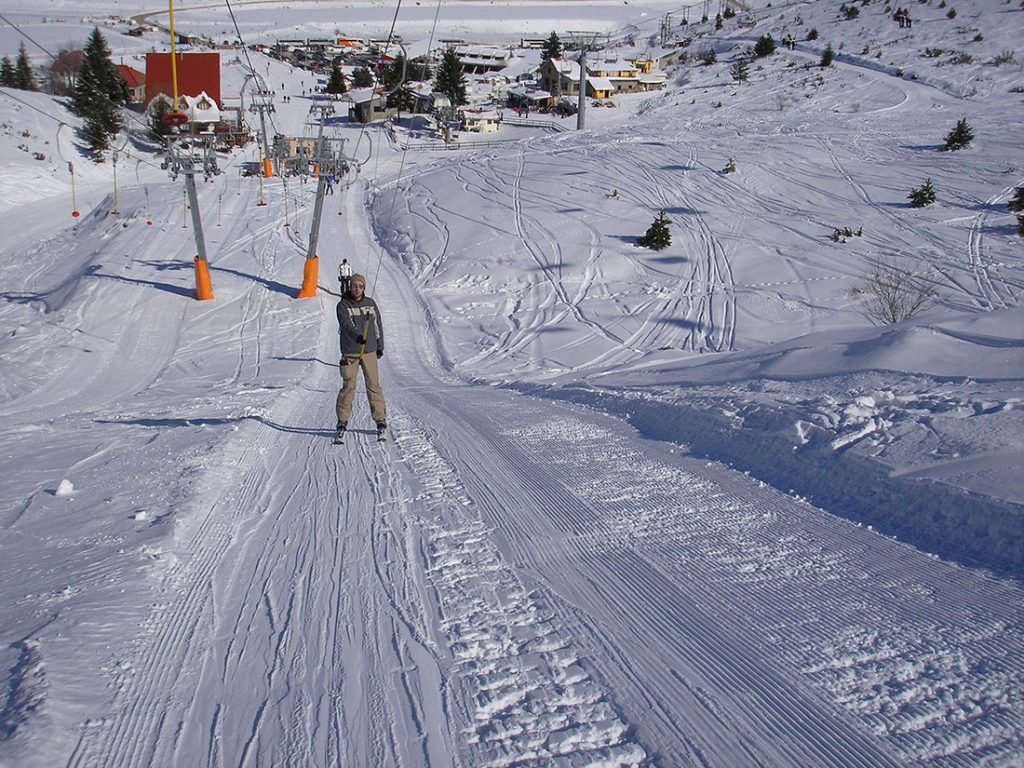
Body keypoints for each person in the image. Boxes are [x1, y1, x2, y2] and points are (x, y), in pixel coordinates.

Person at [335, 274, 387, 441]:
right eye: (355, 286)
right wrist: (357, 336)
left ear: (364, 288)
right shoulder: (343, 305)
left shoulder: (370, 304)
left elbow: (377, 325)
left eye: (361, 286)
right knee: (348, 386)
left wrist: (380, 345)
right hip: (351, 351)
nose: (357, 289)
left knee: (373, 385)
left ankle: (380, 419)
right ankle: (342, 420)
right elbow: (346, 324)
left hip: (369, 351)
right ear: (350, 286)